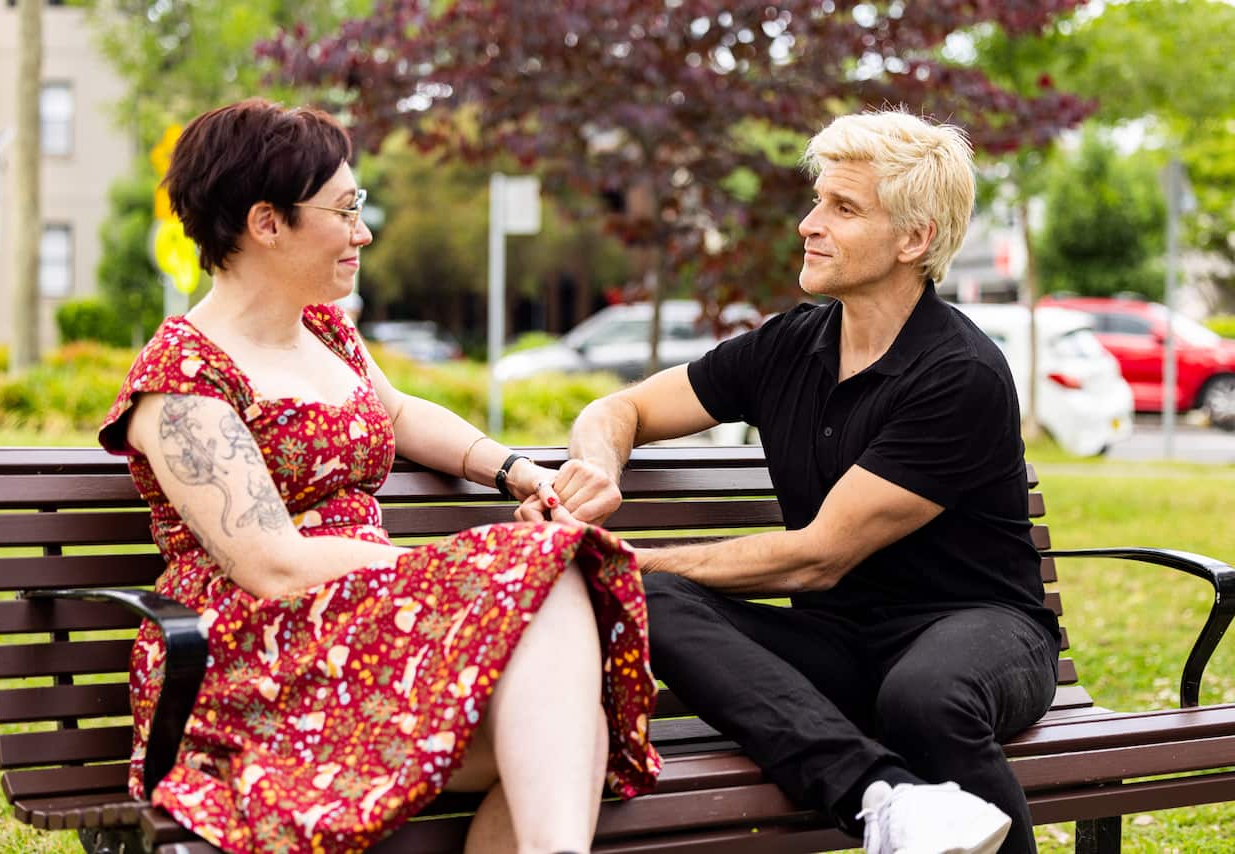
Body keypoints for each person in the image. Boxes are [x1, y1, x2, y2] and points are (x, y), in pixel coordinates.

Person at [98, 98, 660, 854]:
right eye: (344, 208)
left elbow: (395, 414)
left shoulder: (325, 329)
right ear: (267, 223)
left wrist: (515, 470)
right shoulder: (182, 381)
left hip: (365, 630)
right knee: (551, 613)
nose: (362, 230)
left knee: (564, 724)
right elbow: (271, 563)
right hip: (254, 660)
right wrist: (449, 570)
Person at [520, 110, 1059, 854]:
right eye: (817, 201)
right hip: (839, 639)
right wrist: (593, 468)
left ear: (914, 238)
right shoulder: (790, 345)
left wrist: (619, 562)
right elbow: (621, 407)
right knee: (654, 597)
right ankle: (879, 798)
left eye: (843, 208)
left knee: (923, 698)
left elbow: (818, 556)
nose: (810, 224)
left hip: (979, 630)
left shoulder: (958, 372)